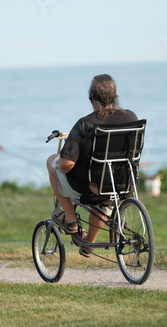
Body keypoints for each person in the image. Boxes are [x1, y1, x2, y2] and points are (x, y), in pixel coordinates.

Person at [46, 74, 139, 257]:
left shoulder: (85, 124)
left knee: (52, 161)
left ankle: (71, 220)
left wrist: (57, 164)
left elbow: (67, 164)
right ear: (115, 97)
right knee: (106, 191)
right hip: (123, 184)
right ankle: (89, 242)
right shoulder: (131, 117)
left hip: (91, 188)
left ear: (91, 99)